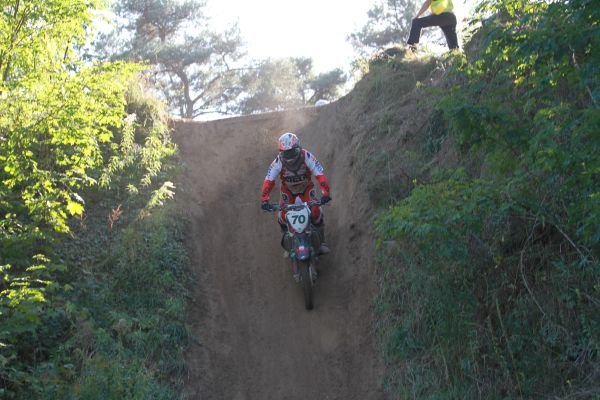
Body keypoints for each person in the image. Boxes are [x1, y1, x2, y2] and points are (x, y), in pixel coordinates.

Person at [260, 132, 332, 255]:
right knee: (283, 216)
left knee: (316, 212)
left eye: (292, 152)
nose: (289, 156)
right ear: (281, 153)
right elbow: (269, 181)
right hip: (288, 191)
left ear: (298, 148)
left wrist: (326, 193)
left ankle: (321, 243)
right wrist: (264, 200)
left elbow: (320, 175)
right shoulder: (278, 162)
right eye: (286, 153)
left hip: (306, 188)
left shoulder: (307, 156)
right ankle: (288, 243)